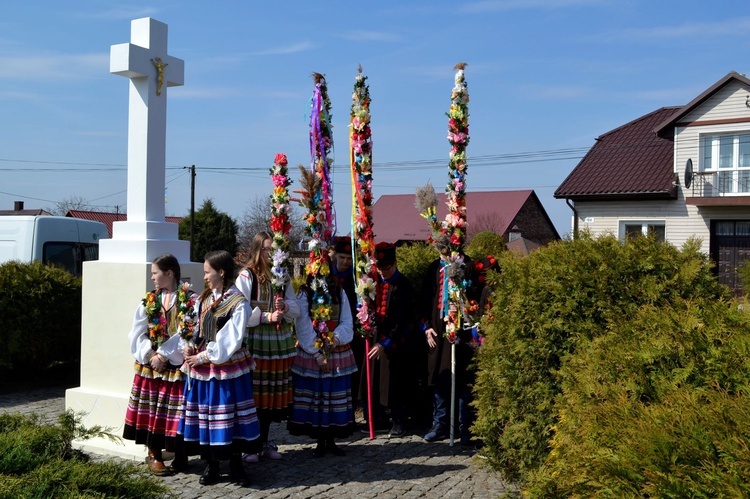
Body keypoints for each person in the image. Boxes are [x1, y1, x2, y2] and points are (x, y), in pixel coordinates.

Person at [179, 250, 262, 487]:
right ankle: (212, 463)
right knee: (207, 414)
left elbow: (230, 340)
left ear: (221, 272)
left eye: (207, 271)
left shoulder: (238, 303)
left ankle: (236, 464)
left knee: (230, 413)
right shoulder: (204, 298)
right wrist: (190, 346)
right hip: (204, 364)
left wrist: (204, 356)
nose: (204, 276)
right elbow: (196, 328)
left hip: (226, 366)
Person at [124, 253, 195, 475]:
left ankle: (180, 453)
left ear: (169, 273)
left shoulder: (190, 299)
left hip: (175, 363)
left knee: (178, 411)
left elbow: (189, 331)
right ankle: (154, 453)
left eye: (155, 273)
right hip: (152, 365)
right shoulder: (150, 300)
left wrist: (165, 355)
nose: (152, 277)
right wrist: (150, 353)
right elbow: (137, 332)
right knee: (152, 408)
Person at [235, 231, 300, 462]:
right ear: (256, 249)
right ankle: (249, 444)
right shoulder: (246, 275)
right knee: (255, 395)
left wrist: (284, 308)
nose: (270, 254)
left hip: (278, 342)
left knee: (271, 394)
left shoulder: (280, 275)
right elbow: (239, 311)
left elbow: (296, 309)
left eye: (273, 250)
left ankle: (264, 442)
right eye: (266, 249)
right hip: (256, 340)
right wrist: (265, 317)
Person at [288, 258, 358, 457]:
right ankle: (319, 438)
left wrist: (334, 340)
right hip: (313, 352)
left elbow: (346, 320)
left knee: (333, 395)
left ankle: (331, 438)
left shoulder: (338, 291)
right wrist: (317, 352)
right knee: (317, 395)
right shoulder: (305, 293)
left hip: (335, 350)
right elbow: (302, 325)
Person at [420, 251, 478, 445]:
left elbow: (474, 296)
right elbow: (425, 299)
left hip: (462, 331)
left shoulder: (467, 265)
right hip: (437, 331)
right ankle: (440, 424)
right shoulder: (433, 268)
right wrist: (426, 326)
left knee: (463, 378)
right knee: (439, 376)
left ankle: (465, 427)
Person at [364, 242, 414, 437]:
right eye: (380, 268)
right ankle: (377, 418)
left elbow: (401, 318)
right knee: (376, 379)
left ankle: (399, 420)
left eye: (387, 268)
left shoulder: (403, 285)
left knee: (395, 382)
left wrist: (385, 342)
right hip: (377, 335)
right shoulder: (373, 282)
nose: (384, 272)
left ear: (394, 264)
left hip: (396, 340)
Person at [330, 236, 363, 407]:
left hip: (352, 331)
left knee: (351, 372)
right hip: (329, 328)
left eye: (349, 258)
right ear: (335, 256)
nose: (345, 262)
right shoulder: (327, 275)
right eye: (342, 257)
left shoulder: (356, 278)